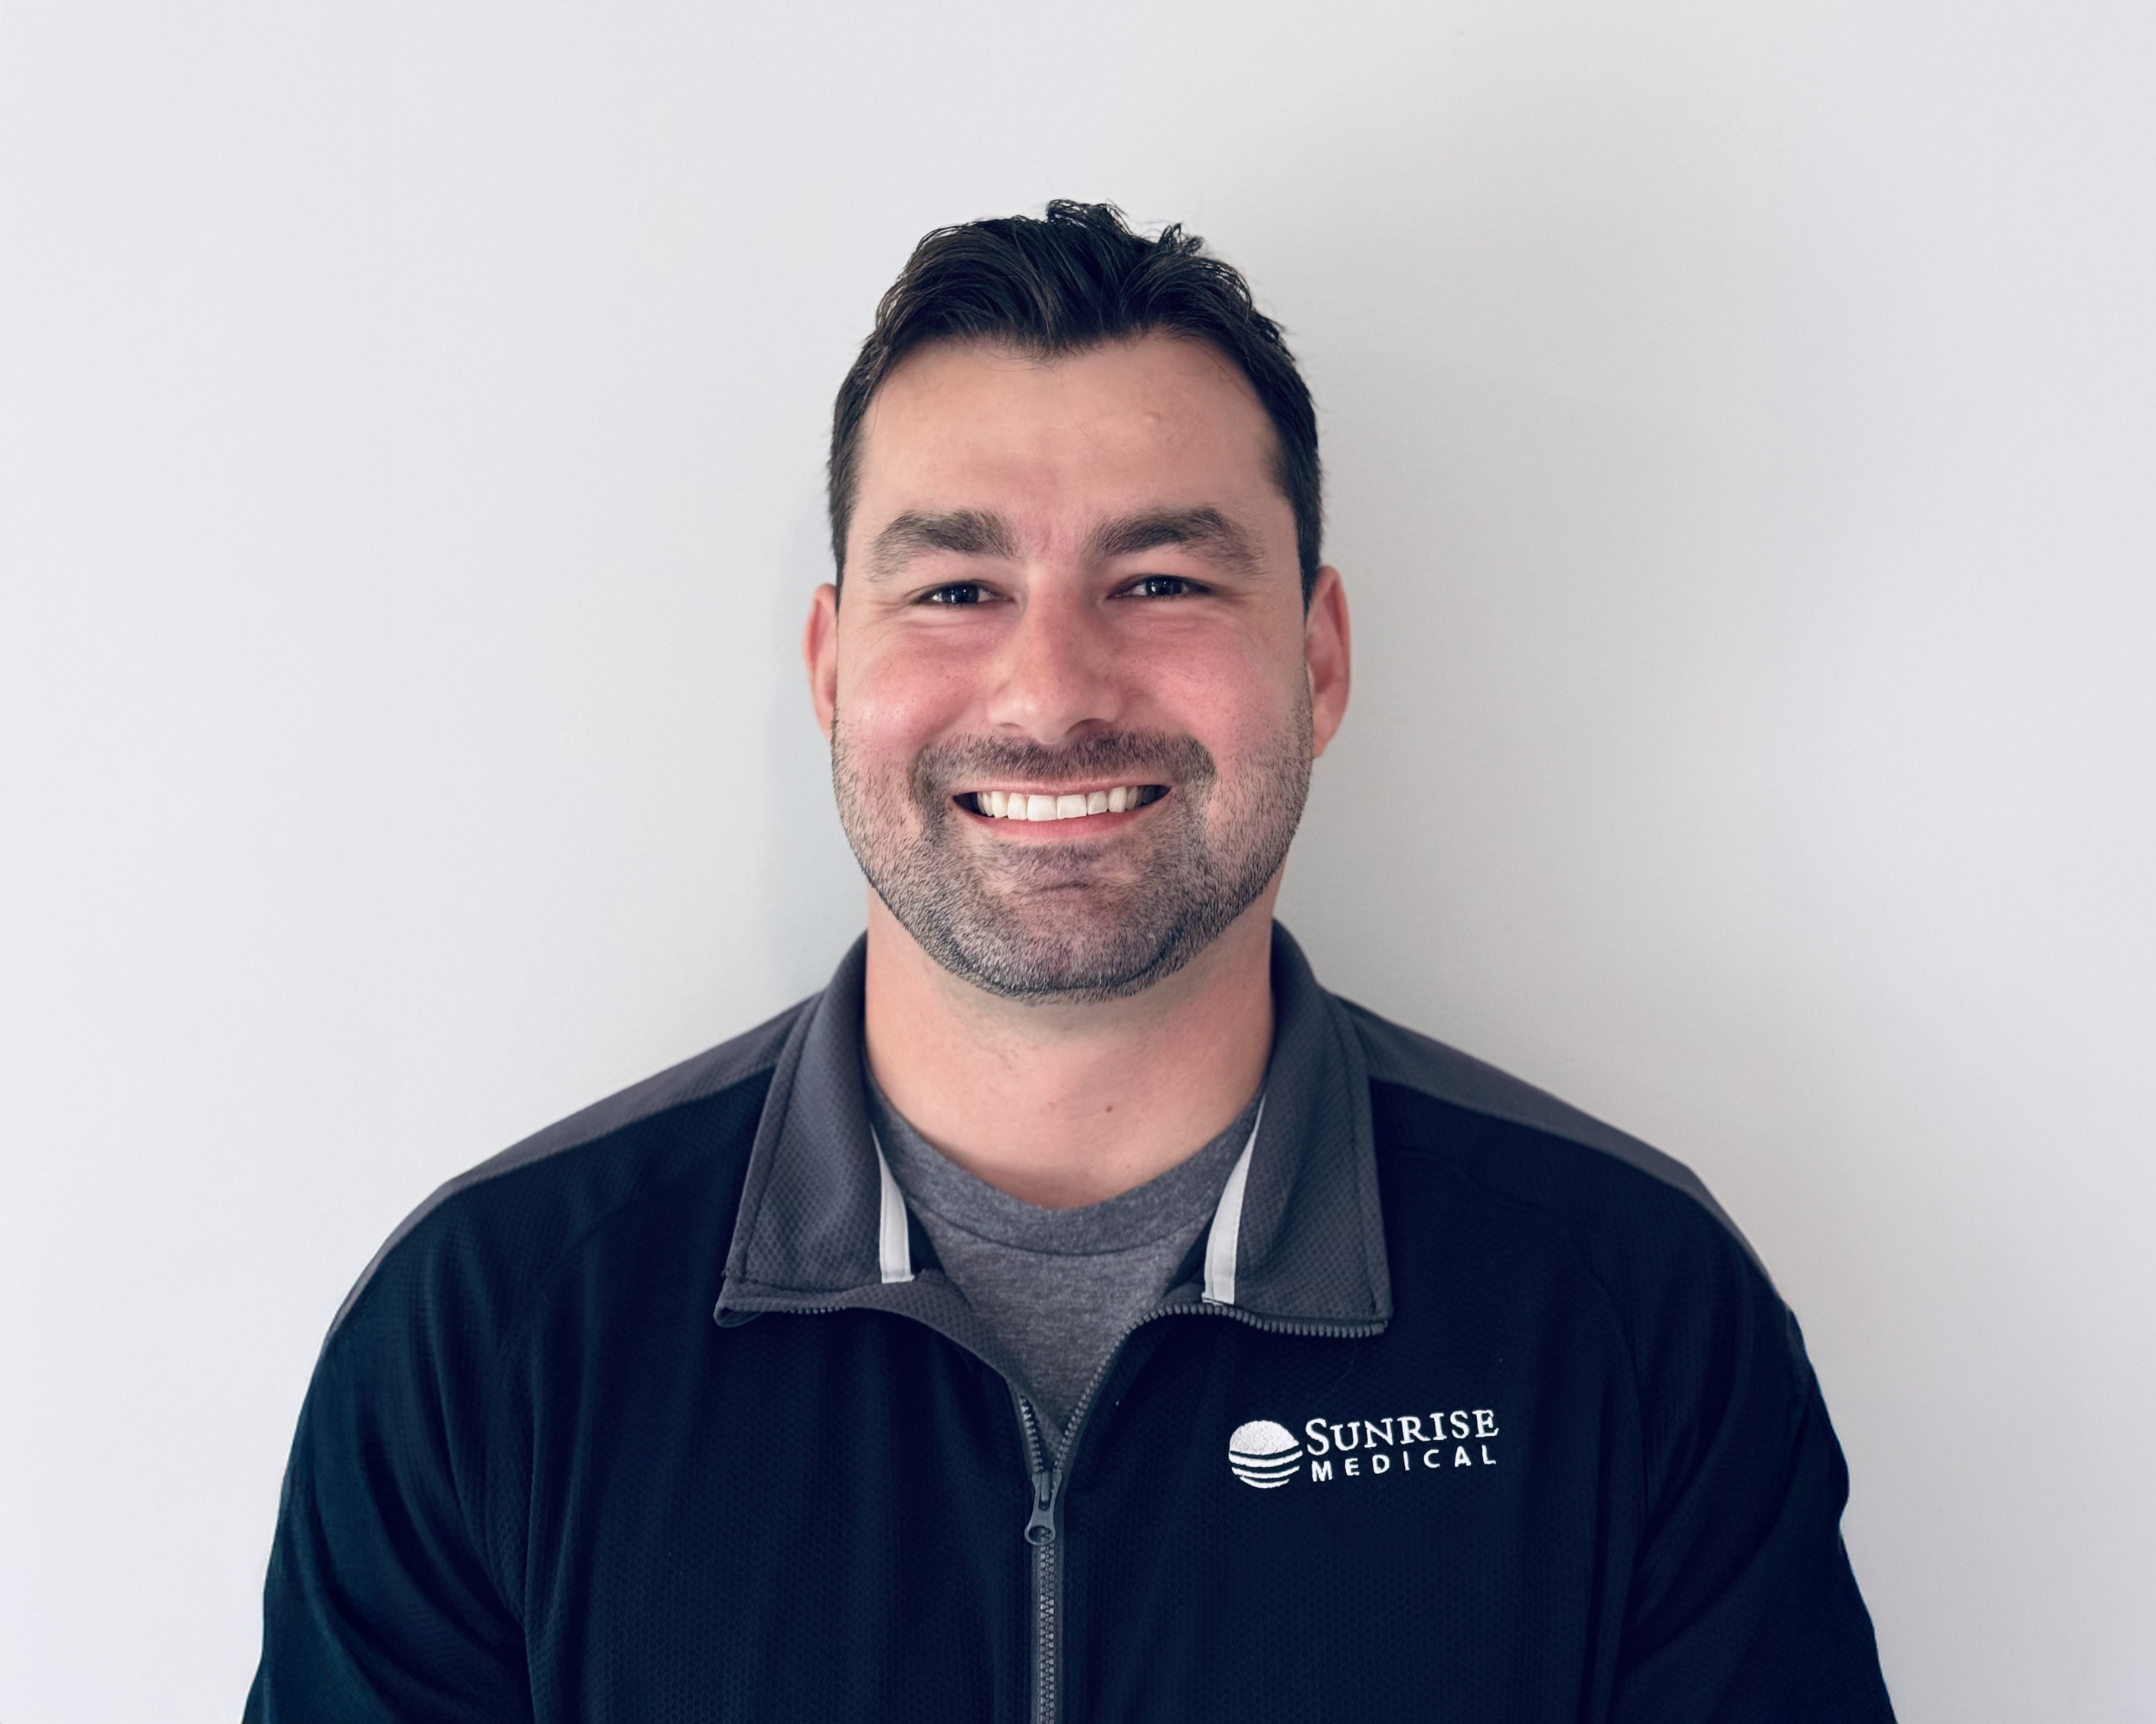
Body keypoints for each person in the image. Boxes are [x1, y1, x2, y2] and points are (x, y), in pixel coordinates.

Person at [247, 201, 1894, 1722]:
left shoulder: (1632, 1315)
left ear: (1317, 659)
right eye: (956, 587)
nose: (1049, 691)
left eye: (1161, 579)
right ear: (831, 670)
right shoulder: (490, 1335)